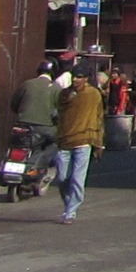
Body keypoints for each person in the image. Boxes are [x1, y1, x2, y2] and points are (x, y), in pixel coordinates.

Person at [51, 67, 104, 221]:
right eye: (74, 77)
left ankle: (70, 212)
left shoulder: (93, 94)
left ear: (86, 78)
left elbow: (99, 117)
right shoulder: (64, 94)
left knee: (77, 178)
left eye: (79, 77)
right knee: (62, 178)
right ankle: (69, 204)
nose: (75, 80)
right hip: (65, 140)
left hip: (84, 141)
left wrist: (99, 142)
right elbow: (60, 113)